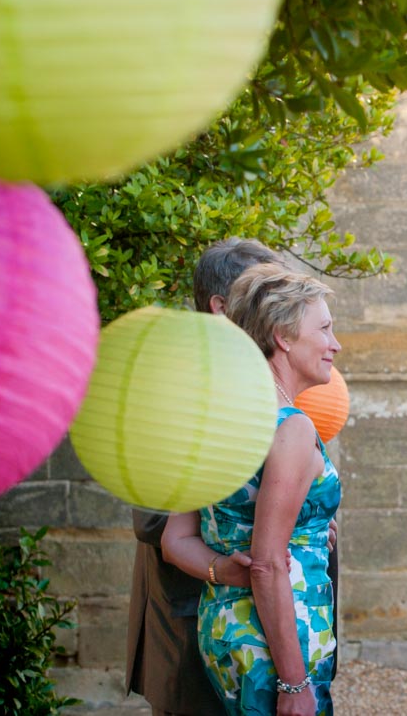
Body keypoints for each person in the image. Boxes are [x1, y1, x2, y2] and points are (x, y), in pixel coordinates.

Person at [162, 264, 343, 715]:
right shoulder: (291, 428)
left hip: (225, 632)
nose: (334, 344)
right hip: (278, 639)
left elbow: (175, 540)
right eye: (324, 329)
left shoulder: (209, 418)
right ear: (283, 336)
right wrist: (294, 682)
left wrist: (224, 568)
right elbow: (265, 565)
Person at [126, 237, 275, 716]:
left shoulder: (273, 378)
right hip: (192, 629)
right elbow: (150, 517)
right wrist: (267, 533)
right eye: (263, 294)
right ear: (220, 307)